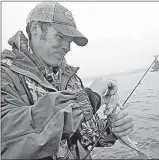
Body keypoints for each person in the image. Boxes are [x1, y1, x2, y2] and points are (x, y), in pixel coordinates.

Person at [1, 2, 134, 159]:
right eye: (60, 37)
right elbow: (9, 136)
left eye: (69, 41)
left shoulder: (71, 79)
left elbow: (86, 136)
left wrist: (112, 128)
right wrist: (89, 98)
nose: (67, 47)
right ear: (35, 29)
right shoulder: (5, 74)